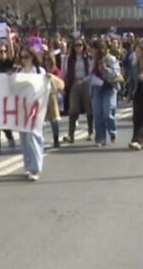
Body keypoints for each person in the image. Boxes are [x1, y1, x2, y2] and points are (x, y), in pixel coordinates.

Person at [15, 47, 63, 181]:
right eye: (22, 57)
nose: (24, 60)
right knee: (24, 138)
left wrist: (49, 78)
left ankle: (35, 168)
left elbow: (51, 88)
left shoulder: (39, 71)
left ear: (33, 58)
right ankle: (28, 165)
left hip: (36, 109)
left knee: (34, 136)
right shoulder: (19, 71)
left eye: (27, 57)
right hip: (22, 109)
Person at [88, 40, 120, 147]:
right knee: (97, 115)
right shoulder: (93, 60)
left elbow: (116, 74)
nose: (91, 51)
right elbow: (90, 74)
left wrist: (105, 69)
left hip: (109, 88)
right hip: (97, 88)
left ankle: (112, 131)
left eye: (93, 49)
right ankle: (100, 138)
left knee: (107, 113)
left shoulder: (110, 59)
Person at [62, 37, 93, 143]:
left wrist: (84, 80)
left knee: (89, 106)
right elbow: (64, 72)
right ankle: (71, 135)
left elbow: (91, 71)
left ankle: (90, 132)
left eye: (80, 45)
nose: (77, 47)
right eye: (75, 45)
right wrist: (63, 84)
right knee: (73, 108)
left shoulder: (88, 57)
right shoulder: (69, 58)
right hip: (74, 83)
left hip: (86, 82)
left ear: (84, 46)